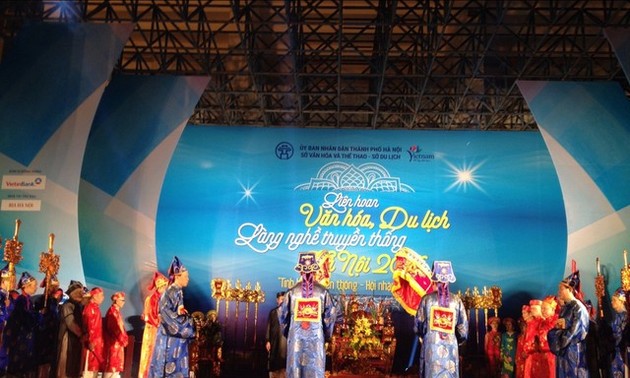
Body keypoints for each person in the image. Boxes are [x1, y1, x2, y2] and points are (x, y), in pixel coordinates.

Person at [279, 252, 337, 378]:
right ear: (315, 271)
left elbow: (282, 315)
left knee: (296, 369)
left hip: (296, 338)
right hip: (315, 339)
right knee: (315, 368)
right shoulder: (323, 292)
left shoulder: (292, 292)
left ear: (300, 272)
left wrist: (289, 332)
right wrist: (326, 335)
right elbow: (331, 314)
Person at [414, 260, 468, 378]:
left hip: (432, 345)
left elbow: (418, 325)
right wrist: (454, 339)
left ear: (434, 278)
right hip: (450, 345)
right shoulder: (456, 300)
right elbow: (463, 330)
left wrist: (427, 335)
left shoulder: (426, 300)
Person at [149, 256, 196, 377]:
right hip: (169, 338)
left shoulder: (178, 291)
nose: (188, 279)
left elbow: (177, 311)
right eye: (186, 277)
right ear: (177, 276)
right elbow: (166, 315)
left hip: (176, 339)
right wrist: (188, 324)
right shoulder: (170, 291)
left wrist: (182, 313)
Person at [548, 271, 589, 378]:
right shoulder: (565, 308)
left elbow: (578, 331)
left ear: (570, 289)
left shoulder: (578, 308)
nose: (559, 292)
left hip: (574, 352)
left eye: (561, 289)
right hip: (563, 352)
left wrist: (561, 342)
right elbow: (559, 327)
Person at [3, 271, 40, 377]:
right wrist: (35, 317)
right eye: (34, 286)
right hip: (20, 336)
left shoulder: (29, 300)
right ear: (26, 286)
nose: (36, 288)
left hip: (26, 335)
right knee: (17, 361)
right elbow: (23, 317)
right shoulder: (21, 300)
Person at [138, 271, 168, 378]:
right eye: (164, 287)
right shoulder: (151, 299)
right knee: (150, 353)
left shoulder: (164, 299)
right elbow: (149, 316)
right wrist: (159, 323)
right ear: (160, 287)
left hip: (161, 330)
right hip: (153, 330)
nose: (166, 289)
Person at [56, 280, 86, 378]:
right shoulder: (68, 305)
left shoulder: (79, 306)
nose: (81, 294)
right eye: (78, 292)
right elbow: (70, 322)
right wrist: (81, 334)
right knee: (66, 364)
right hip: (68, 337)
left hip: (77, 339)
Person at [82, 287, 105, 378]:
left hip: (96, 344)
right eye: (101, 295)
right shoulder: (90, 308)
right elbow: (90, 326)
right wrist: (91, 341)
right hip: (91, 345)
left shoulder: (95, 308)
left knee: (94, 369)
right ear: (95, 296)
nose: (103, 298)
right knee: (89, 371)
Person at [104, 291, 128, 378]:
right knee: (111, 368)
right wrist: (122, 339)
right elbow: (114, 328)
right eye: (122, 300)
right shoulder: (112, 312)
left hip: (118, 344)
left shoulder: (117, 312)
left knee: (115, 369)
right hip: (113, 343)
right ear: (116, 300)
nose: (123, 302)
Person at [266, 291, 287, 378]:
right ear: (277, 300)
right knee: (274, 361)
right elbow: (269, 327)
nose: (283, 301)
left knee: (284, 361)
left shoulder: (289, 313)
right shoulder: (273, 312)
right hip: (274, 341)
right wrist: (267, 340)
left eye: (284, 299)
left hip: (284, 341)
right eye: (281, 299)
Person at [610, 288, 627, 378]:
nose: (612, 302)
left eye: (614, 300)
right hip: (616, 351)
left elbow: (622, 335)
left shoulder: (625, 317)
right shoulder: (617, 316)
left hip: (623, 352)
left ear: (621, 301)